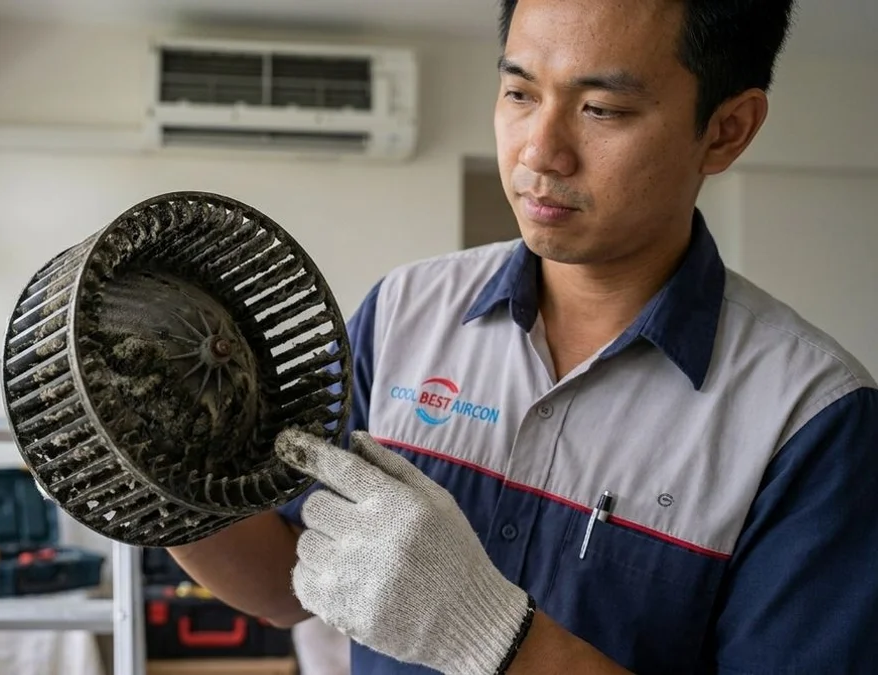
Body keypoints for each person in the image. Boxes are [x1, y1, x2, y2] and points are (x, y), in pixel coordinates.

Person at [167, 0, 878, 672]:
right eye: (519, 93)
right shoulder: (405, 310)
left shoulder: (811, 421)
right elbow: (288, 583)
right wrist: (146, 479)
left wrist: (494, 637)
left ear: (727, 129)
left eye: (602, 108)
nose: (541, 151)